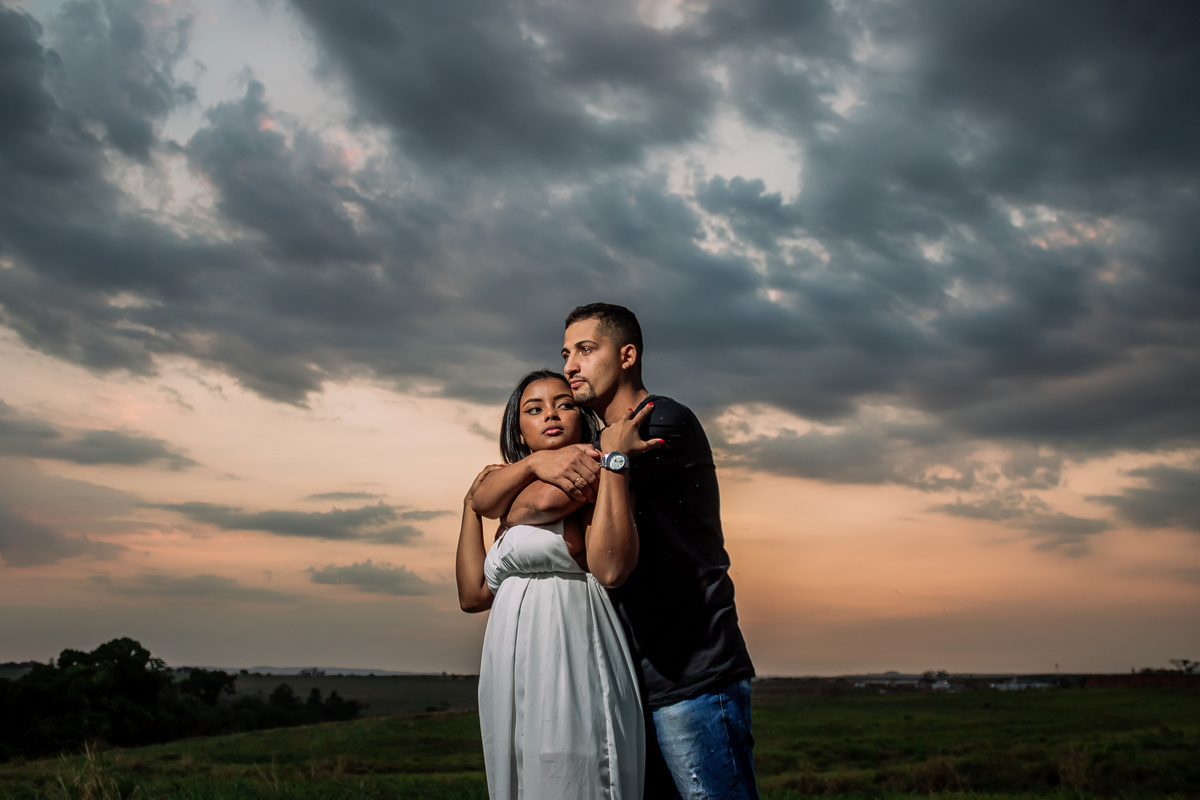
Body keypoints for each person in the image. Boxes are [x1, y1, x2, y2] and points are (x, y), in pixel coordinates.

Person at [475, 305, 758, 800]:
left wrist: (530, 472)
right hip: (630, 678)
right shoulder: (605, 442)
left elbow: (532, 503)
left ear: (627, 355)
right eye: (566, 353)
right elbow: (494, 499)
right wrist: (545, 462)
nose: (571, 366)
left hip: (693, 674)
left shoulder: (659, 421)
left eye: (586, 350)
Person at [457, 369, 656, 799]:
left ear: (583, 418)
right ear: (520, 431)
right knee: (520, 771)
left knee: (571, 767)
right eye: (535, 409)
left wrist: (493, 496)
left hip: (567, 643)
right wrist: (470, 511)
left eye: (565, 404)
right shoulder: (520, 484)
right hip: (510, 660)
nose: (551, 414)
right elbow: (472, 594)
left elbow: (543, 502)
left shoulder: (593, 466)